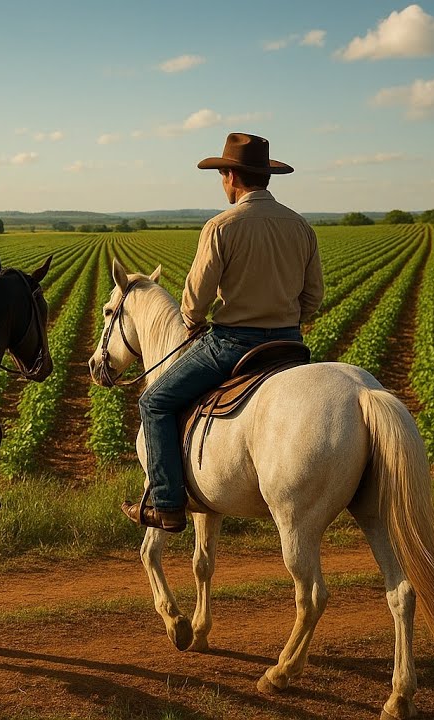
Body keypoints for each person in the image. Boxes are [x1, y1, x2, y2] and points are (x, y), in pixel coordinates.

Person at [121, 132, 325, 532]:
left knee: (154, 402)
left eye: (221, 175)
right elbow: (313, 296)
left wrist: (195, 323)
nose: (222, 182)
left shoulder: (220, 226)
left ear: (232, 176)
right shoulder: (301, 226)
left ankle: (166, 503)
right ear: (265, 176)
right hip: (289, 345)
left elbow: (193, 302)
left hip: (234, 344)